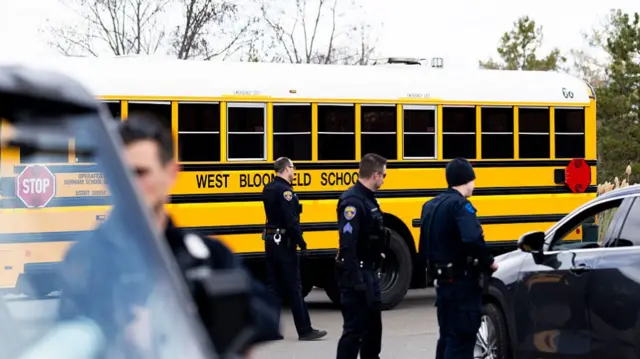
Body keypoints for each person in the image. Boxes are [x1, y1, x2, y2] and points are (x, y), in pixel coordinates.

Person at [58, 114, 281, 357]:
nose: (129, 185)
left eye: (141, 173)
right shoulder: (86, 257)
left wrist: (193, 317)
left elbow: (266, 320)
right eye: (119, 174)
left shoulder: (206, 255)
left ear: (171, 173)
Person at [418, 157, 498, 359]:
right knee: (461, 342)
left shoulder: (430, 205)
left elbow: (423, 246)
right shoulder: (461, 206)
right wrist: (489, 261)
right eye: (473, 179)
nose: (474, 184)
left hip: (442, 285)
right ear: (466, 180)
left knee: (446, 339)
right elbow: (473, 238)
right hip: (462, 286)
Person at [261, 156, 327, 341]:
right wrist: (301, 242)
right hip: (285, 243)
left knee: (273, 286)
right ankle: (305, 330)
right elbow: (291, 221)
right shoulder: (286, 192)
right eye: (293, 168)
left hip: (270, 240)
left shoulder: (268, 188)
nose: (294, 171)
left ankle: (271, 329)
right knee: (294, 287)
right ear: (287, 169)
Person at [335, 153, 389, 359]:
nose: (384, 180)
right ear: (375, 175)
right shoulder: (353, 202)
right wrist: (357, 281)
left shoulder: (368, 200)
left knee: (373, 330)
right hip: (355, 273)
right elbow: (347, 245)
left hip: (370, 272)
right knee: (354, 330)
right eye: (383, 175)